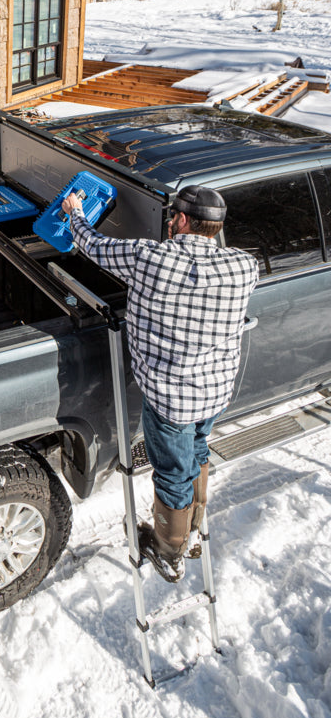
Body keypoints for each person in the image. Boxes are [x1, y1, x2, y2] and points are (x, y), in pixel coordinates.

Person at [61, 184, 259, 582]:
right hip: (215, 390)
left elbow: (93, 246)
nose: (169, 221)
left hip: (170, 399)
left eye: (173, 216)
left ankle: (168, 550)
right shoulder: (244, 266)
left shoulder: (148, 258)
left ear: (182, 220)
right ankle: (191, 530)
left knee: (171, 472)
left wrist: (74, 212)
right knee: (197, 453)